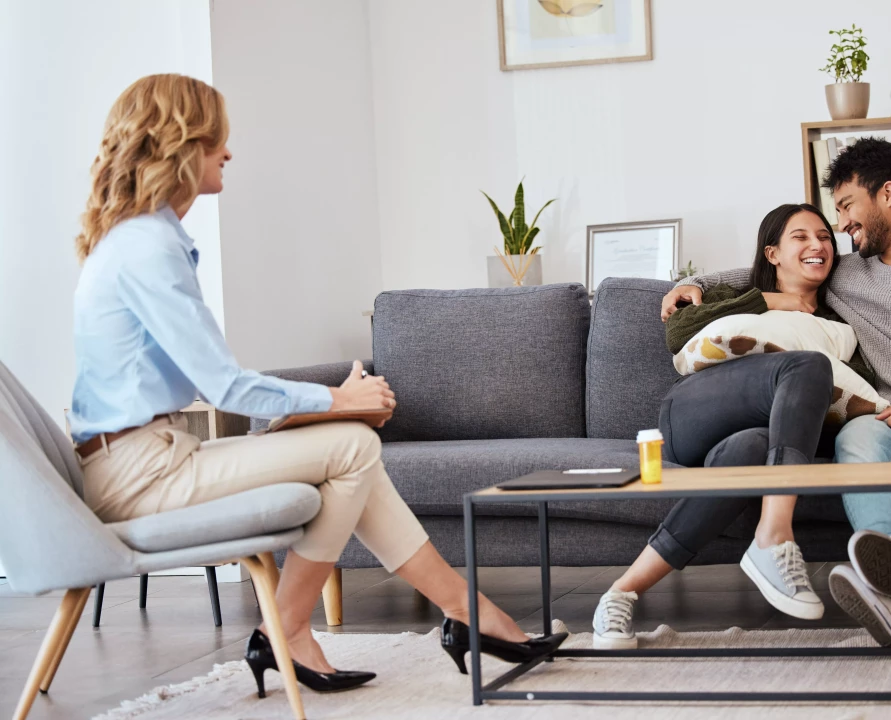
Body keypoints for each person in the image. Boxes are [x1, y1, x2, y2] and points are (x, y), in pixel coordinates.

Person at [69, 74, 564, 698]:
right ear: (181, 144)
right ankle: (292, 629)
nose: (228, 152)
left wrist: (326, 409)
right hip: (139, 473)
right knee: (353, 446)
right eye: (218, 138)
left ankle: (468, 615)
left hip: (151, 458)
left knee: (352, 452)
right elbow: (224, 386)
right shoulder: (146, 247)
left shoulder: (141, 239)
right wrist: (339, 400)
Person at [669, 138, 891, 649]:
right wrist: (697, 285)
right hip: (885, 418)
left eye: (845, 207)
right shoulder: (846, 273)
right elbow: (775, 268)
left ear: (886, 194)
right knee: (855, 439)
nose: (840, 226)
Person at [592, 203, 875, 649]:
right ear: (772, 254)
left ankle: (620, 592)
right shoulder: (743, 299)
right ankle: (775, 535)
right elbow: (678, 331)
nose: (817, 245)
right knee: (806, 366)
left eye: (824, 236)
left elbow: (853, 397)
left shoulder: (838, 327)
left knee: (748, 450)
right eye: (800, 237)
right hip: (698, 413)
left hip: (760, 437)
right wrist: (771, 300)